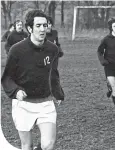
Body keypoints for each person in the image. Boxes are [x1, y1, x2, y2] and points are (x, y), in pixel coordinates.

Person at [1, 9, 64, 150]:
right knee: (27, 145)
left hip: (45, 102)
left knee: (48, 144)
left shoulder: (53, 49)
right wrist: (16, 91)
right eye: (38, 26)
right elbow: (7, 78)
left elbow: (53, 73)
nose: (43, 29)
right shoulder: (17, 50)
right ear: (29, 28)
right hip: (23, 104)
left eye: (45, 25)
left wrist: (58, 91)